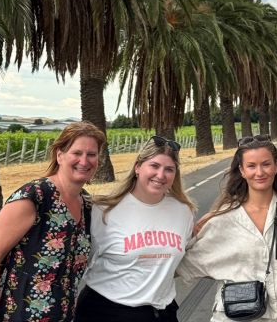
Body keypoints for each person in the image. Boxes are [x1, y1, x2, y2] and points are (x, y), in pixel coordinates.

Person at [0, 121, 106, 322]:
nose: (84, 160)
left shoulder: (86, 205)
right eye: (77, 153)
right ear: (60, 155)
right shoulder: (35, 196)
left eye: (92, 154)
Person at [177, 134, 277, 321]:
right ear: (242, 171)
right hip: (233, 316)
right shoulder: (223, 216)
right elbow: (183, 263)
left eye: (266, 164)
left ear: (276, 166)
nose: (259, 172)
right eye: (251, 166)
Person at [74, 135, 195, 322]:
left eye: (169, 169)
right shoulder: (103, 210)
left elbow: (179, 259)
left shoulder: (183, 211)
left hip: (163, 312)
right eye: (154, 166)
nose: (161, 175)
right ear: (138, 167)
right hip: (106, 312)